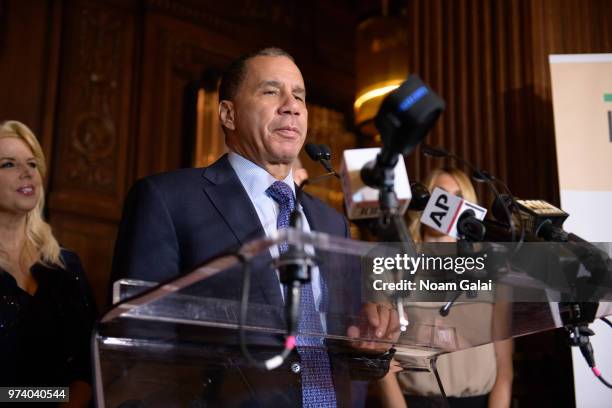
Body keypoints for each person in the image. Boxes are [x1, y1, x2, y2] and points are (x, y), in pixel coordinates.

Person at [111, 47, 397, 407]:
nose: (291, 105)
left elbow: (351, 353)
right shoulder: (168, 200)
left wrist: (369, 345)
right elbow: (141, 346)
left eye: (299, 96)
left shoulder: (332, 222)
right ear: (228, 114)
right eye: (270, 91)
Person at [377, 167, 513, 408]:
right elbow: (382, 361)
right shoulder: (394, 266)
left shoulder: (493, 269)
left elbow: (504, 364)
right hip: (415, 401)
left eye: (458, 196)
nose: (449, 203)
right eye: (440, 194)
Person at [0, 120, 96, 406]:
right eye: (8, 164)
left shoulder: (66, 265)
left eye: (32, 163)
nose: (27, 172)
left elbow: (89, 362)